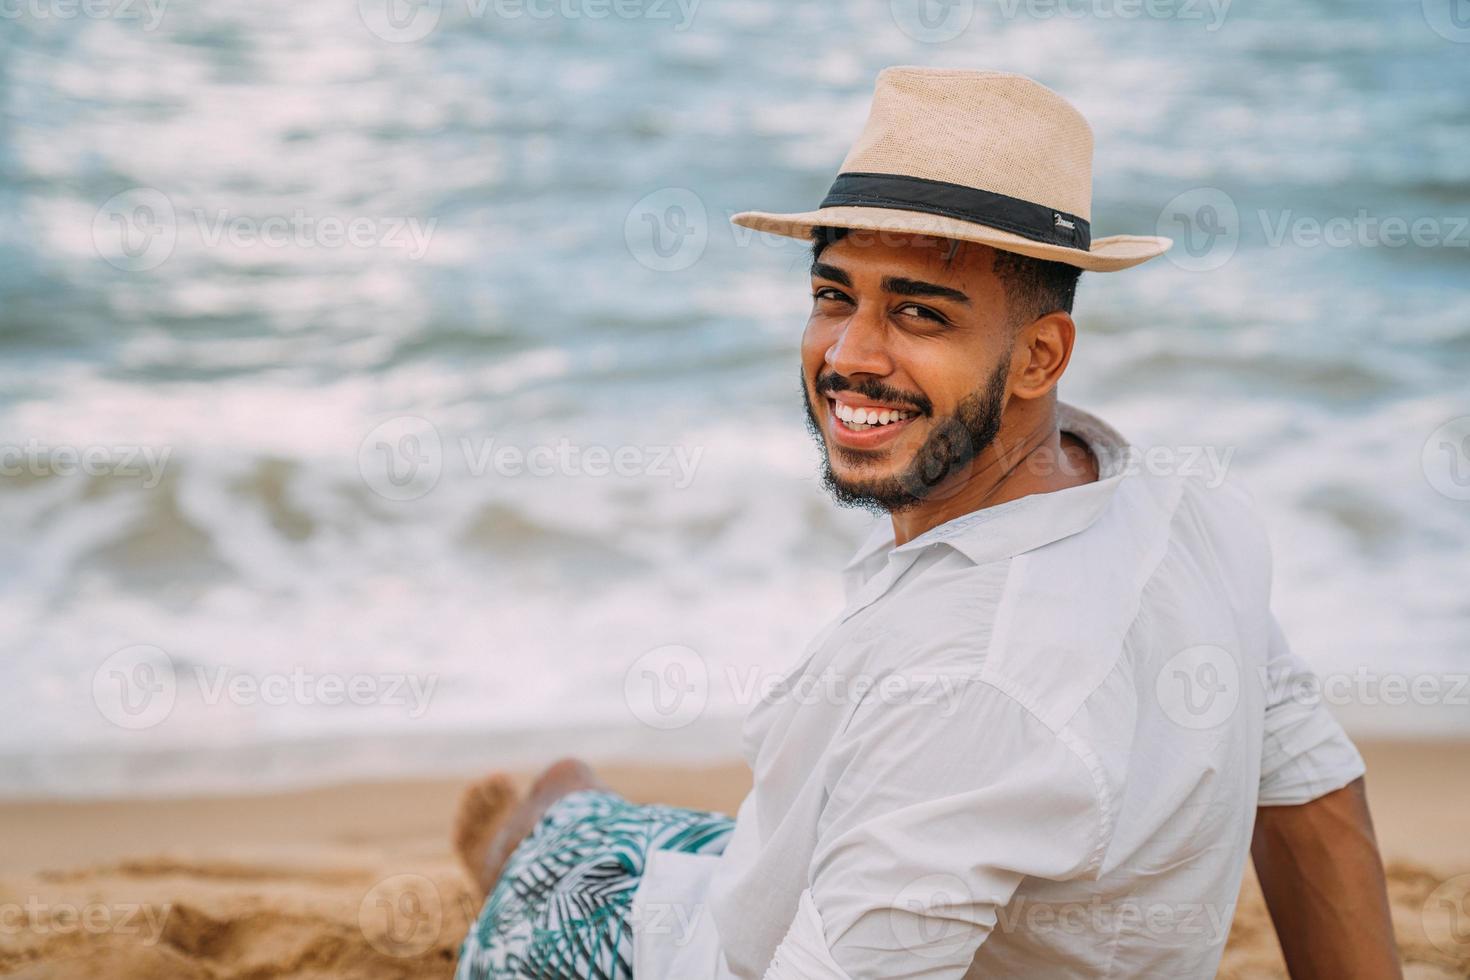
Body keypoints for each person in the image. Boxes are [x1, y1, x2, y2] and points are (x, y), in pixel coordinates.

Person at [451, 67, 1401, 979]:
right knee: (608, 806)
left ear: (1040, 357)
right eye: (835, 295)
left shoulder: (967, 689)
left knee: (557, 832)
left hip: (678, 952)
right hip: (814, 876)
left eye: (919, 314)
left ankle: (523, 848)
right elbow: (1308, 796)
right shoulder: (1187, 510)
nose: (850, 356)